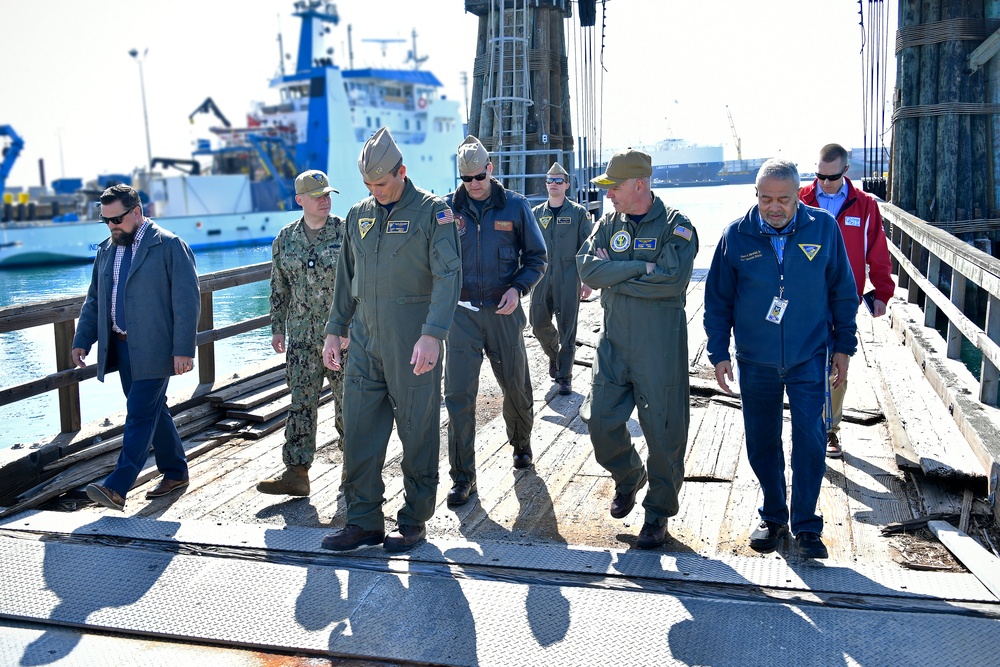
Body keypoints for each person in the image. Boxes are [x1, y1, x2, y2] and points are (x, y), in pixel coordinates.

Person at [704, 158, 858, 559]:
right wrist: (719, 352)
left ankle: (806, 524)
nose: (774, 207)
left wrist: (844, 346)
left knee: (810, 439)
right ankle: (773, 516)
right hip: (756, 359)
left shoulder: (823, 227)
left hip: (810, 354)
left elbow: (843, 290)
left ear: (798, 195)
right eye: (766, 198)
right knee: (761, 441)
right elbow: (717, 302)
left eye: (783, 199)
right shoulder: (735, 236)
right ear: (755, 195)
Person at [320, 127, 462, 552]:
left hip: (412, 341)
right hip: (364, 342)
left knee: (417, 429)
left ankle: (414, 519)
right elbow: (347, 278)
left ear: (402, 171)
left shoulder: (433, 214)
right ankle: (363, 520)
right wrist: (334, 329)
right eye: (368, 185)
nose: (375, 191)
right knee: (360, 430)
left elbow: (448, 276)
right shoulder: (359, 215)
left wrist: (433, 334)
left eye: (381, 183)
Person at [576, 149, 698, 550]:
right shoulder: (607, 223)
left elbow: (671, 280)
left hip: (659, 347)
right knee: (598, 420)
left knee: (664, 432)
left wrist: (615, 273)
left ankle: (658, 513)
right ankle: (629, 476)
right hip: (613, 342)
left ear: (639, 185)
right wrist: (639, 267)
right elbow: (587, 269)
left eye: (613, 187)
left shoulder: (677, 227)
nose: (607, 194)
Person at [73, 184, 200, 511]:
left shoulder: (170, 245)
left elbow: (187, 302)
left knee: (140, 414)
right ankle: (176, 471)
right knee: (153, 411)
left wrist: (184, 349)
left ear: (137, 212)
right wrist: (82, 340)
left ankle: (117, 486)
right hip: (122, 347)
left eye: (117, 219)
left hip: (157, 348)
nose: (112, 226)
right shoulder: (106, 250)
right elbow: (94, 300)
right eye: (106, 221)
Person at [442, 135, 547, 507]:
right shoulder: (445, 212)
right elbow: (431, 262)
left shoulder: (516, 207)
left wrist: (518, 288)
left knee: (516, 386)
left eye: (478, 177)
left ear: (491, 168)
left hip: (504, 314)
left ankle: (521, 445)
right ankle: (462, 477)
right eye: (466, 179)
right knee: (457, 396)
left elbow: (537, 258)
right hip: (461, 316)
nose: (473, 185)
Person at [799, 143, 894, 458]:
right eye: (819, 176)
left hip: (844, 300)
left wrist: (882, 292)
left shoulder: (865, 206)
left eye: (831, 177)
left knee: (838, 364)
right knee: (804, 363)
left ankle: (830, 430)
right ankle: (806, 425)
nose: (824, 183)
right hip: (805, 298)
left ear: (846, 171)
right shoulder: (800, 199)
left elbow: (877, 251)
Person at [257, 170, 347, 497]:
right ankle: (296, 473)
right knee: (300, 405)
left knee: (349, 406)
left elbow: (363, 285)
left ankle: (356, 474)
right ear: (300, 200)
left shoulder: (346, 232)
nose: (325, 199)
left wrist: (353, 327)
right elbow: (279, 286)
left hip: (342, 339)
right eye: (318, 195)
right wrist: (277, 328)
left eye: (328, 194)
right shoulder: (285, 239)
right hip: (301, 340)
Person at [529, 161, 595, 396]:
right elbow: (527, 247)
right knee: (537, 323)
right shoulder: (536, 214)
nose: (554, 185)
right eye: (550, 181)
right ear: (545, 184)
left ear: (567, 184)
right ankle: (555, 355)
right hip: (542, 276)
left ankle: (564, 376)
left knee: (568, 327)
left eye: (559, 181)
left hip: (569, 276)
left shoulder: (578, 213)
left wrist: (586, 280)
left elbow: (588, 247)